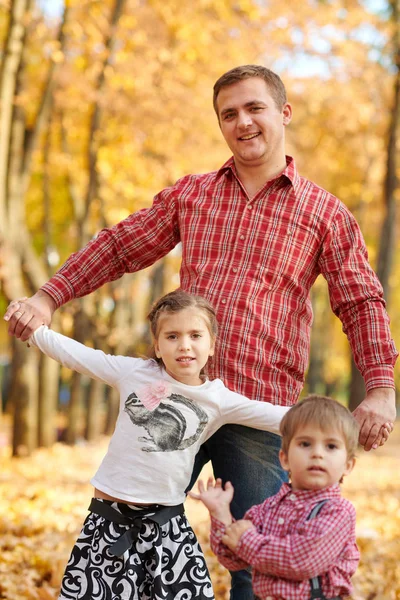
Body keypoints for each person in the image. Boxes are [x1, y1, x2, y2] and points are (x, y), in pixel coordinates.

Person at [4, 64, 397, 599]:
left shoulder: (324, 213)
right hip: (175, 401)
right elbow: (121, 245)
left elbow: (361, 300)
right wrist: (49, 296)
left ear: (283, 113)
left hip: (259, 409)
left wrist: (380, 388)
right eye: (229, 113)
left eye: (255, 108)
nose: (243, 122)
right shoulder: (193, 195)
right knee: (123, 548)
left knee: (259, 568)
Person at [26, 289, 291, 600]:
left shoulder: (218, 399)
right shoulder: (135, 373)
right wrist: (34, 330)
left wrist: (345, 422)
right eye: (172, 336)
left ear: (212, 345)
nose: (185, 345)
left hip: (168, 529)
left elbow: (278, 417)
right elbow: (79, 356)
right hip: (110, 521)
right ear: (157, 345)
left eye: (195, 335)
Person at [190, 395, 361, 600]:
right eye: (305, 444)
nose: (317, 454)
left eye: (331, 446)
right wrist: (222, 515)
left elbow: (301, 560)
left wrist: (245, 540)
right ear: (285, 459)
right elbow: (235, 559)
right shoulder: (267, 508)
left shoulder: (338, 512)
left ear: (348, 465)